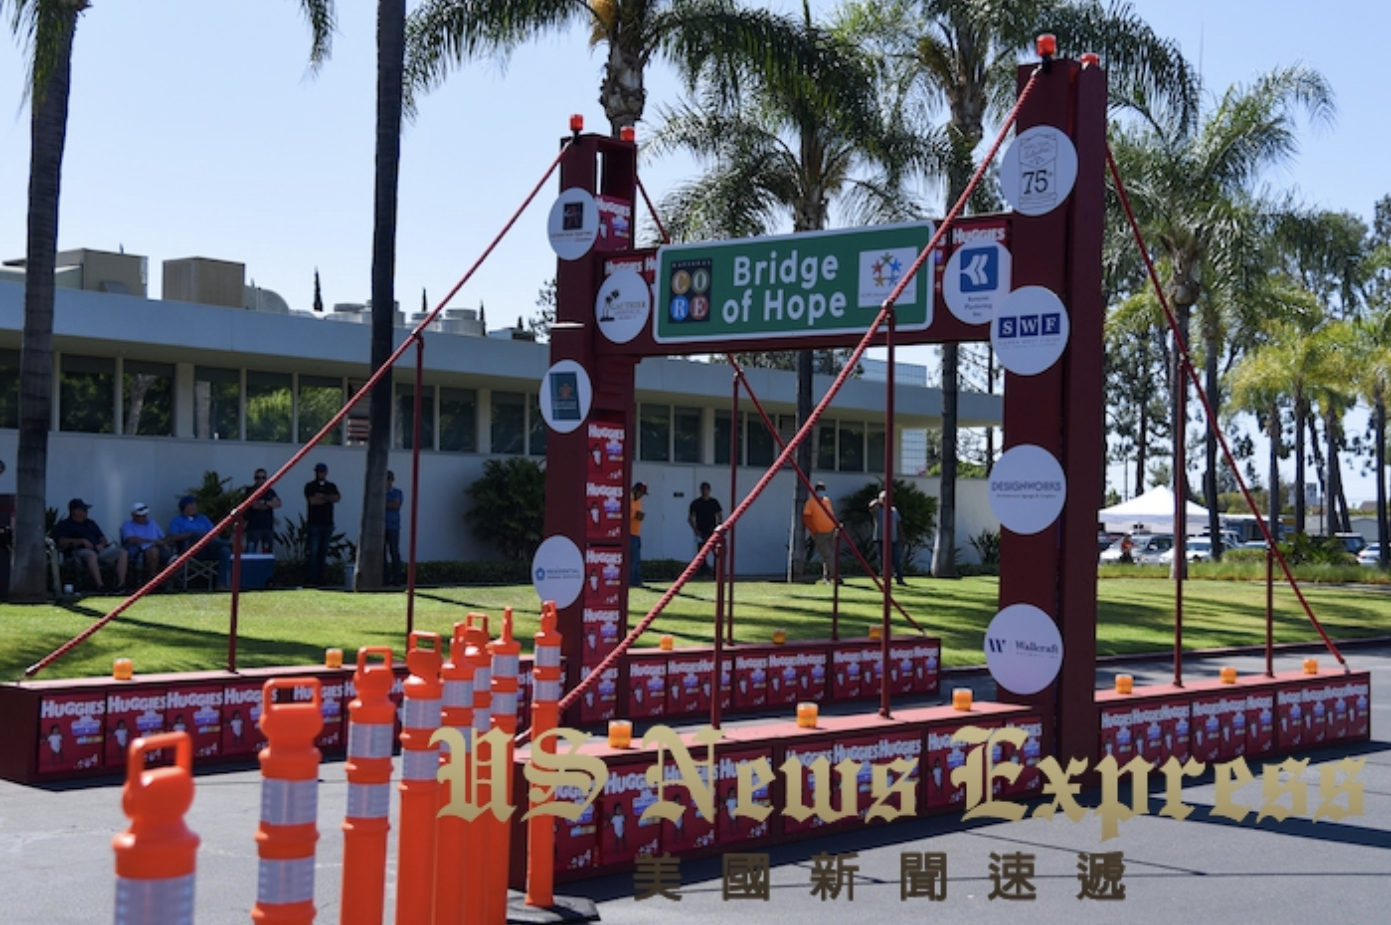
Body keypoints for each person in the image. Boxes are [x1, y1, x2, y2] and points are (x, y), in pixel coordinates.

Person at [51, 498, 128, 591]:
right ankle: (100, 586)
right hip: (78, 552)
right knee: (91, 555)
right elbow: (61, 542)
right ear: (75, 511)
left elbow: (103, 539)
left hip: (98, 550)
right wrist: (80, 541)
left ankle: (121, 585)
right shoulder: (64, 525)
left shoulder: (91, 523)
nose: (86, 512)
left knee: (122, 552)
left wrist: (102, 545)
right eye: (83, 510)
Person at [167, 495, 232, 590]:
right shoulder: (177, 521)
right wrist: (190, 534)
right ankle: (228, 543)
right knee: (197, 534)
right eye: (194, 504)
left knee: (224, 551)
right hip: (191, 550)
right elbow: (173, 537)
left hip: (209, 548)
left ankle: (220, 584)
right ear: (187, 506)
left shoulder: (203, 518)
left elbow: (214, 533)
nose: (196, 506)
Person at [304, 462, 340, 586]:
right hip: (314, 523)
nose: (320, 474)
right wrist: (327, 499)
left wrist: (323, 496)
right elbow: (313, 501)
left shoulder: (331, 486)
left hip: (327, 523)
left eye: (322, 472)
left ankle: (321, 579)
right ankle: (312, 579)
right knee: (313, 553)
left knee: (323, 553)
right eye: (319, 472)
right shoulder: (310, 486)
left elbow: (336, 498)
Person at [121, 502, 172, 584]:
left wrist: (165, 543)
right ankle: (153, 579)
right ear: (134, 516)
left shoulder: (152, 523)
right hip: (138, 549)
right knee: (153, 551)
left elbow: (163, 537)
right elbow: (131, 539)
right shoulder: (128, 524)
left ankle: (160, 578)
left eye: (145, 515)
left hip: (157, 548)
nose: (144, 517)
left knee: (173, 559)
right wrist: (153, 541)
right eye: (141, 516)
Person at [802, 481, 838, 584]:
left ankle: (827, 577)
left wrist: (836, 525)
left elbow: (831, 514)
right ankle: (835, 576)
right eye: (819, 489)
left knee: (831, 555)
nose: (821, 492)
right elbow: (806, 518)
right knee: (828, 555)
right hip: (820, 533)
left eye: (822, 489)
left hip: (831, 530)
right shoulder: (811, 503)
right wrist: (814, 531)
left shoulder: (827, 501)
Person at [869, 490, 906, 586]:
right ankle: (885, 577)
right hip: (881, 539)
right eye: (884, 499)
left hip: (893, 539)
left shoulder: (894, 510)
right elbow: (871, 506)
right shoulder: (878, 510)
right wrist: (879, 500)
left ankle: (899, 578)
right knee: (882, 559)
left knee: (896, 559)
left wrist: (901, 536)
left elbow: (898, 524)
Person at [686, 481, 723, 577]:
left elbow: (720, 516)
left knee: (716, 553)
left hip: (712, 531)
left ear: (709, 490)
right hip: (701, 532)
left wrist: (718, 528)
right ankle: (704, 573)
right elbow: (690, 518)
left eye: (706, 490)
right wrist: (696, 530)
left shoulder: (714, 502)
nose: (704, 492)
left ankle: (716, 574)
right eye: (702, 490)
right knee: (702, 554)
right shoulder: (696, 503)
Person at [242, 468, 281, 554]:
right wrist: (269, 504)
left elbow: (278, 503)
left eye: (263, 477)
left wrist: (264, 502)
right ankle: (250, 568)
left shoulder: (270, 491)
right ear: (255, 478)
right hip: (253, 527)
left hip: (267, 528)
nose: (261, 480)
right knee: (250, 553)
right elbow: (254, 505)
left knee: (267, 553)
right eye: (258, 477)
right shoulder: (250, 491)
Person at [384, 470, 404, 585]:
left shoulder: (397, 492)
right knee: (382, 554)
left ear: (391, 480)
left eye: (388, 479)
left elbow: (395, 505)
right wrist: (388, 503)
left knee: (394, 551)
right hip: (380, 527)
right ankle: (385, 579)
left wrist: (382, 503)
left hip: (393, 526)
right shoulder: (379, 493)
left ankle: (397, 578)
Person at [629, 481, 647, 587]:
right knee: (632, 560)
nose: (641, 495)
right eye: (641, 493)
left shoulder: (639, 500)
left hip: (637, 532)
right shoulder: (629, 499)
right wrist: (636, 515)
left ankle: (637, 579)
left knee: (637, 560)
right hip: (629, 533)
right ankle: (631, 580)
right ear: (636, 490)